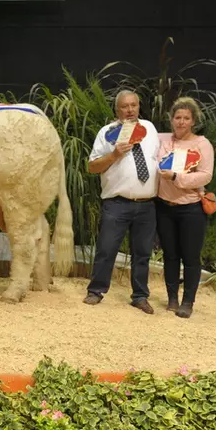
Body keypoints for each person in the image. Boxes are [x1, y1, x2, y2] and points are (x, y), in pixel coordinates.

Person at [83, 90, 160, 314]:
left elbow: (158, 157)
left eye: (133, 105)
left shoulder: (150, 129)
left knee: (143, 253)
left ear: (139, 107)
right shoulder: (107, 132)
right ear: (117, 110)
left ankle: (140, 296)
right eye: (125, 106)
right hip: (117, 203)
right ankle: (96, 291)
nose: (130, 110)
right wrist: (114, 155)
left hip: (146, 204)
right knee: (106, 249)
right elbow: (92, 167)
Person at [155, 97, 214, 319]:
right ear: (171, 119)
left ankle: (188, 302)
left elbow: (205, 175)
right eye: (177, 117)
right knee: (170, 255)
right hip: (164, 207)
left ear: (193, 121)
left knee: (190, 257)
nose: (181, 122)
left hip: (191, 209)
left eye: (186, 118)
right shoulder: (162, 140)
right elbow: (143, 132)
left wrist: (176, 178)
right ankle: (172, 298)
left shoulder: (202, 144)